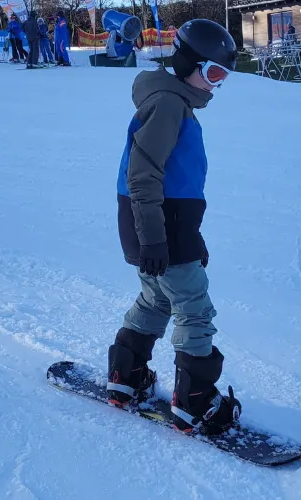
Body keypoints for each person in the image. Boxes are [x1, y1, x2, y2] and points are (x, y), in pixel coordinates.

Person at [108, 18, 241, 436]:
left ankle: (126, 376)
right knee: (193, 308)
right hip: (159, 225)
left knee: (156, 299)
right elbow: (143, 175)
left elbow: (175, 180)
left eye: (224, 77)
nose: (217, 85)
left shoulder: (171, 101)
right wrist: (155, 239)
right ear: (189, 64)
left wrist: (189, 237)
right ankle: (196, 401)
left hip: (160, 224)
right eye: (213, 73)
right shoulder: (168, 104)